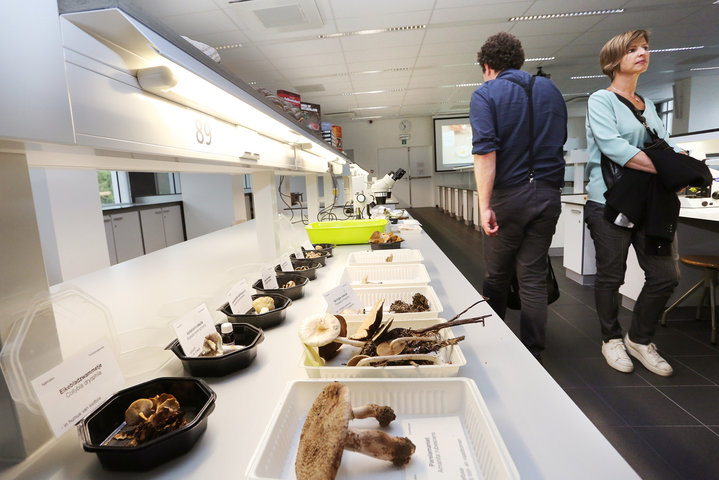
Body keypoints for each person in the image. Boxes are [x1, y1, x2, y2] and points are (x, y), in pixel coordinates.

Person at [585, 29, 684, 376]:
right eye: (632, 49)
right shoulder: (601, 100)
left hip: (651, 203)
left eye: (644, 48)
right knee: (611, 276)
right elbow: (614, 147)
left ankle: (639, 339)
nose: (642, 53)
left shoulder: (649, 105)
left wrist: (682, 162)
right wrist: (668, 167)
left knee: (666, 275)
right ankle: (611, 338)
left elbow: (665, 145)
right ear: (614, 60)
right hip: (609, 202)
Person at [470, 32, 567, 360]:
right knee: (533, 276)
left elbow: (485, 152)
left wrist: (485, 206)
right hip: (548, 195)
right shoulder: (551, 90)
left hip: (509, 198)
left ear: (487, 66)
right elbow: (559, 140)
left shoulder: (486, 94)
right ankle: (533, 352)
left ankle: (495, 348)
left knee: (496, 276)